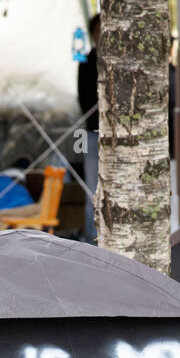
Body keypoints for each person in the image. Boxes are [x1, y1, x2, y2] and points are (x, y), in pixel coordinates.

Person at [76, 14, 100, 244]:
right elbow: (84, 98)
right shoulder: (87, 62)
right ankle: (91, 236)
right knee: (91, 189)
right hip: (93, 132)